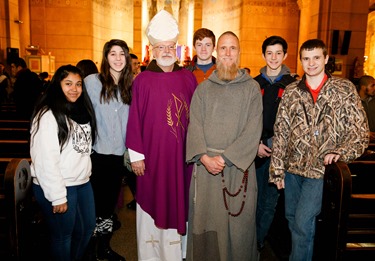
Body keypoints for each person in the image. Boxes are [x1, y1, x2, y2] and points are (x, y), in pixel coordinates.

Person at [269, 39, 369, 261]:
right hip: (293, 169)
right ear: (301, 61)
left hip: (321, 170)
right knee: (293, 220)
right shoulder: (292, 91)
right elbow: (282, 131)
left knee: (303, 222)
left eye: (316, 57)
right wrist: (277, 169)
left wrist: (342, 153)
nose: (311, 63)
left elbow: (360, 131)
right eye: (306, 58)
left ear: (325, 59)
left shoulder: (343, 89)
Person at [125, 10, 197, 261]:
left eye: (171, 46)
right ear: (152, 49)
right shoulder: (142, 81)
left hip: (181, 158)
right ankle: (152, 255)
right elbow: (134, 119)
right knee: (154, 199)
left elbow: (197, 119)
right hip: (152, 158)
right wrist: (136, 156)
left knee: (180, 198)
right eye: (161, 47)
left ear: (176, 48)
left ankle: (178, 254)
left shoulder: (188, 78)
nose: (166, 51)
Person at [186, 31, 263, 260]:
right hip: (207, 169)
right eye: (223, 48)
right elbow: (195, 125)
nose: (227, 53)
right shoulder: (204, 89)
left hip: (238, 169)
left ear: (239, 53)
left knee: (239, 228)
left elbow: (253, 128)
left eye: (232, 48)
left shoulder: (250, 89)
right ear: (216, 53)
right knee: (207, 223)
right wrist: (204, 157)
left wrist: (226, 158)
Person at [30, 64, 97, 261]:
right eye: (68, 84)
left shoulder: (82, 110)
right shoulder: (48, 115)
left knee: (86, 230)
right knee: (62, 236)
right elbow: (45, 160)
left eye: (78, 84)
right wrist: (57, 196)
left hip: (82, 182)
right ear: (57, 85)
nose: (74, 89)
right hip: (58, 185)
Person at [84, 39, 132, 261]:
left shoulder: (130, 86)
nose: (118, 58)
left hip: (117, 157)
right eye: (113, 54)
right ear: (105, 57)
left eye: (122, 53)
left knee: (108, 206)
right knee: (92, 206)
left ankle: (103, 247)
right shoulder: (92, 82)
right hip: (96, 155)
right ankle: (88, 248)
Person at [253, 35, 297, 251]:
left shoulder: (293, 85)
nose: (274, 57)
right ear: (263, 55)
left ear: (285, 55)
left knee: (270, 201)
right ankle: (248, 240)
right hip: (256, 148)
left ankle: (258, 242)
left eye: (278, 53)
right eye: (269, 53)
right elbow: (247, 118)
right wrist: (256, 144)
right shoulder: (254, 83)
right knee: (253, 199)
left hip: (280, 152)